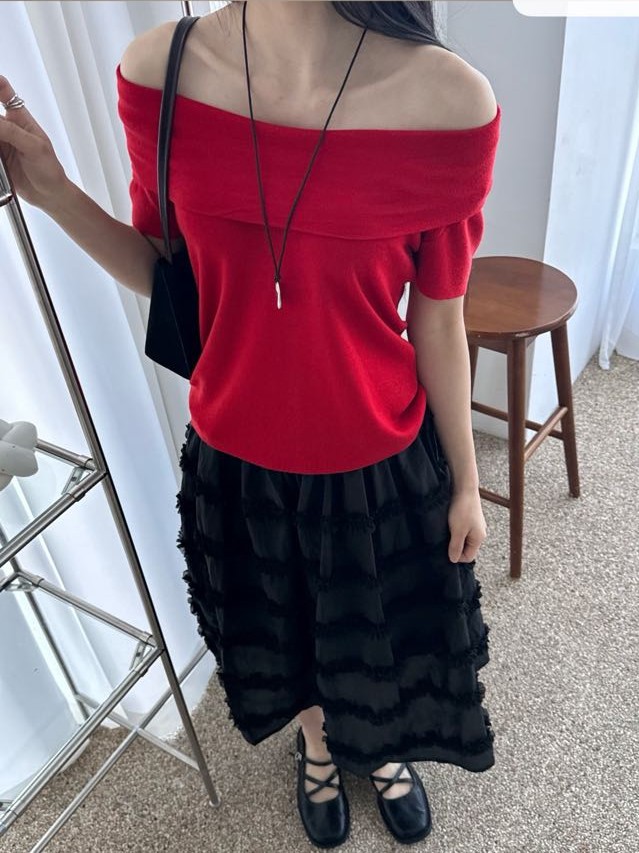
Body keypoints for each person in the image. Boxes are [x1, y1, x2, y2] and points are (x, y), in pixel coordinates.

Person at [0, 1, 501, 847]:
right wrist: (53, 194)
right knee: (282, 632)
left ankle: (380, 750)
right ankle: (318, 745)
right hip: (236, 460)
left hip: (378, 454)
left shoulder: (448, 100)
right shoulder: (159, 73)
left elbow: (438, 318)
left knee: (378, 636)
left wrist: (466, 482)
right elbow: (167, 273)